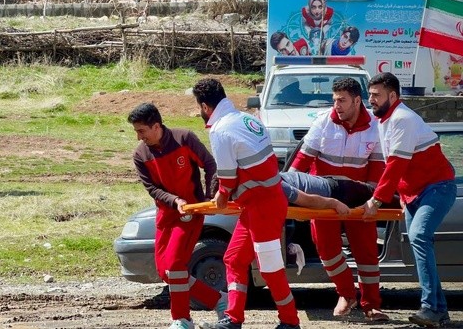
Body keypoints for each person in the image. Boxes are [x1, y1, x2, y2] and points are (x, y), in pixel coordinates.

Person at [192, 79, 300, 329]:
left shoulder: (220, 130)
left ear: (206, 107)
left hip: (262, 208)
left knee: (270, 267)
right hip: (260, 205)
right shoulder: (246, 119)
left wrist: (220, 198)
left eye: (199, 107)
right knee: (234, 259)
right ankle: (233, 318)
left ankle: (290, 321)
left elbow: (227, 176)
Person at [289, 77, 389, 321]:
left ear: (357, 101)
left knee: (366, 252)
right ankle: (346, 293)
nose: (337, 106)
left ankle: (371, 305)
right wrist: (293, 194)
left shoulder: (376, 126)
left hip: (359, 198)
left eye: (342, 100)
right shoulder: (323, 122)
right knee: (327, 249)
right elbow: (301, 163)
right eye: (334, 100)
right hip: (323, 199)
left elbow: (377, 171)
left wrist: (373, 201)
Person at [362, 72, 456, 328]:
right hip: (417, 193)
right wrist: (403, 195)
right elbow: (398, 166)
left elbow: (395, 165)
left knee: (418, 237)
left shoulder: (403, 119)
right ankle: (440, 312)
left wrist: (376, 201)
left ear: (393, 96)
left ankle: (430, 307)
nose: (371, 100)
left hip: (437, 188)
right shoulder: (386, 121)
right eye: (370, 94)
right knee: (418, 242)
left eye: (376, 95)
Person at [128, 102, 227, 329]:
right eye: (136, 132)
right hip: (166, 215)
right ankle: (219, 300)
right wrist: (174, 201)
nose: (138, 137)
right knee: (166, 272)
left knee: (174, 266)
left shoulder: (184, 138)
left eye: (141, 131)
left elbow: (210, 164)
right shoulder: (140, 154)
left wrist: (211, 197)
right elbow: (152, 189)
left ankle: (182, 319)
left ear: (156, 126)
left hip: (190, 213)